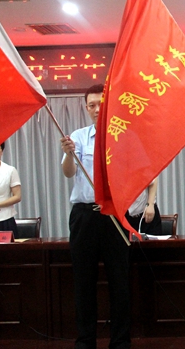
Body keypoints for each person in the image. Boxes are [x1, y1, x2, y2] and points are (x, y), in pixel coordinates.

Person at [60, 84, 131, 349]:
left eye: (101, 103)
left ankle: (120, 341)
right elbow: (69, 172)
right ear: (86, 108)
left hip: (113, 214)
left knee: (119, 282)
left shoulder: (123, 136)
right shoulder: (77, 137)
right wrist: (68, 154)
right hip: (84, 217)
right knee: (84, 282)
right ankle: (85, 341)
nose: (97, 109)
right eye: (92, 105)